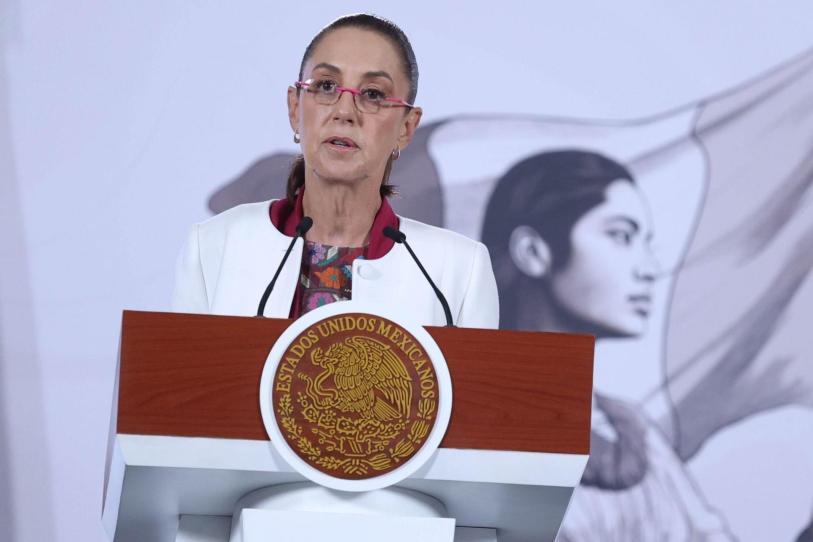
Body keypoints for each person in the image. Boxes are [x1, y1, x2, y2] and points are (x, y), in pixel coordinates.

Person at [172, 14, 498, 329]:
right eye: (326, 86)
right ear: (295, 108)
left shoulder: (459, 271)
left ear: (406, 128)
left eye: (373, 94)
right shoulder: (214, 246)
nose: (344, 111)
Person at [481, 150, 735, 541]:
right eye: (621, 236)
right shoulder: (468, 419)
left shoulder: (632, 429)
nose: (649, 269)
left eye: (645, 242)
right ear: (533, 252)